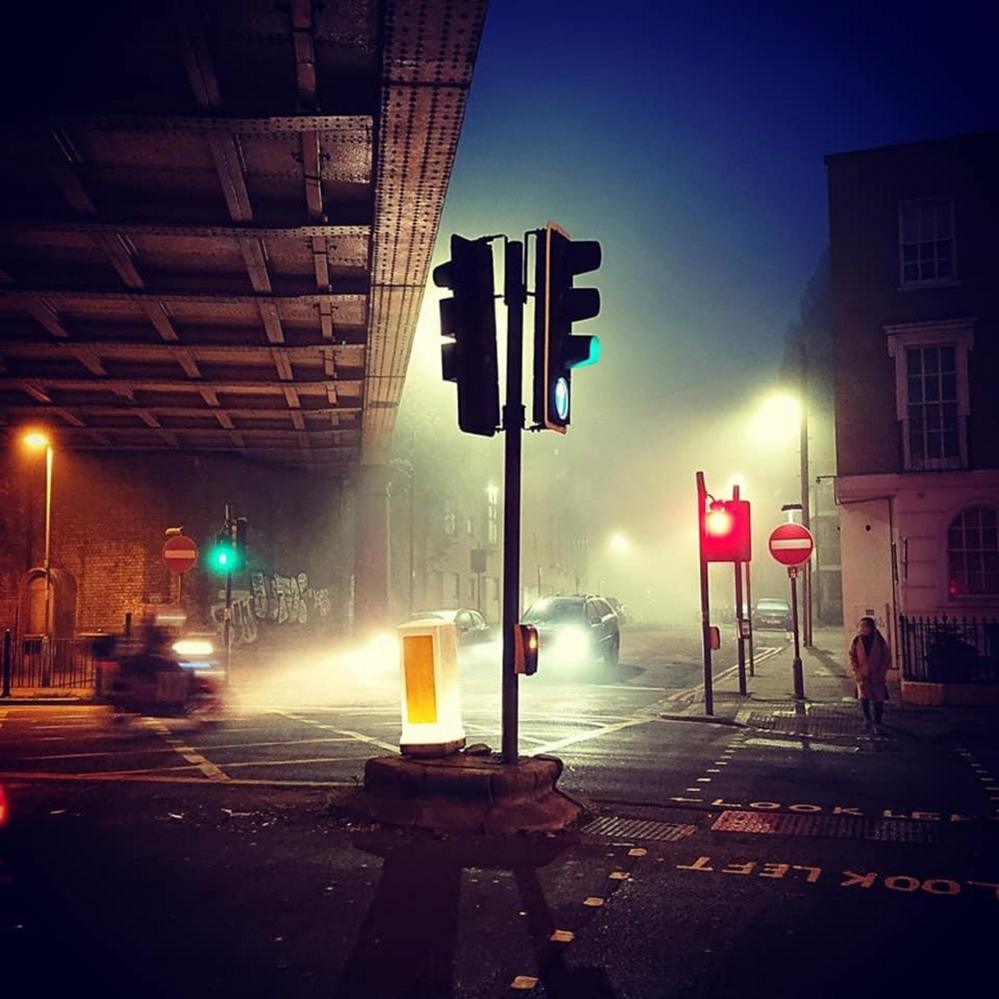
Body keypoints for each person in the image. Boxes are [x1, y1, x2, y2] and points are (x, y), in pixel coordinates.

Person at [849, 617, 891, 734]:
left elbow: (886, 657)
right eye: (861, 626)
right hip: (862, 675)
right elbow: (852, 656)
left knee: (878, 700)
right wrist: (856, 670)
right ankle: (867, 718)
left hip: (877, 675)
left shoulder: (879, 641)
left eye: (864, 626)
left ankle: (878, 722)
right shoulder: (857, 640)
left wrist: (882, 671)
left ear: (870, 628)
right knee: (864, 698)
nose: (862, 629)